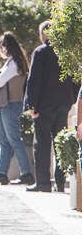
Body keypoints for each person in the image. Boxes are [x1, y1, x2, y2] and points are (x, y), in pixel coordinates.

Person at [24, 21, 79, 192]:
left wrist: (31, 105)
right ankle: (60, 182)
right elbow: (76, 79)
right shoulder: (65, 53)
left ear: (43, 34)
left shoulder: (40, 52)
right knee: (59, 143)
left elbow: (34, 81)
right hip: (62, 104)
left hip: (43, 106)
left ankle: (43, 183)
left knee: (41, 144)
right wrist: (70, 99)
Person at [0, 32, 34, 186]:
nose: (1, 49)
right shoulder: (12, 62)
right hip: (7, 105)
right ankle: (1, 174)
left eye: (2, 45)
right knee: (3, 140)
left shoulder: (14, 64)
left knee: (13, 140)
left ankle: (26, 174)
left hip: (11, 105)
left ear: (8, 46)